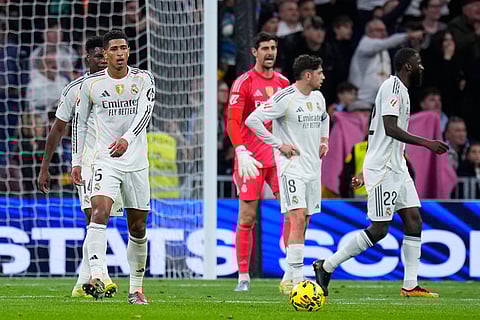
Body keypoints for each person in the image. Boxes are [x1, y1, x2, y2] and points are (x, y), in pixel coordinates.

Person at [313, 48, 449, 300]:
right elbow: (389, 128)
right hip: (384, 169)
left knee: (414, 220)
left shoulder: (402, 91)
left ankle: (410, 285)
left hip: (396, 165)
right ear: (407, 66)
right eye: (418, 63)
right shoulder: (393, 88)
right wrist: (427, 143)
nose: (422, 67)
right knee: (378, 230)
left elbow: (377, 133)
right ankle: (327, 266)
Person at [71, 30, 155, 304]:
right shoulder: (92, 84)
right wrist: (76, 161)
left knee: (138, 226)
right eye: (114, 49)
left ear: (129, 51)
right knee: (99, 211)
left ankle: (136, 289)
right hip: (104, 159)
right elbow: (79, 124)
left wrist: (127, 140)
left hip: (136, 161)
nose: (120, 53)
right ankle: (98, 276)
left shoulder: (143, 79)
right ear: (104, 54)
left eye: (124, 48)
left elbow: (145, 113)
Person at [37, 36, 121, 298]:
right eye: (97, 56)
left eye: (104, 55)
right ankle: (100, 276)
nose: (102, 60)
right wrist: (45, 166)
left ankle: (82, 284)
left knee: (100, 220)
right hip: (86, 163)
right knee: (94, 217)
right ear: (87, 58)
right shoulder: (76, 88)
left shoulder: (121, 84)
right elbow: (58, 128)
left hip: (116, 162)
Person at [246, 54, 329, 290]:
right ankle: (297, 280)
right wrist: (278, 144)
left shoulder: (319, 98)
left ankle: (287, 277)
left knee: (305, 220)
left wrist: (325, 139)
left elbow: (325, 118)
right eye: (320, 72)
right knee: (296, 217)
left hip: (313, 168)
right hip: (291, 168)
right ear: (308, 75)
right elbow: (254, 120)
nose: (323, 77)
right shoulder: (285, 98)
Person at [226, 31, 289, 292]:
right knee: (247, 217)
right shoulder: (244, 82)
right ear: (254, 52)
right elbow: (232, 120)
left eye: (273, 47)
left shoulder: (284, 83)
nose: (270, 52)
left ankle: (292, 271)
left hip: (278, 158)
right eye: (264, 48)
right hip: (250, 159)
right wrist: (240, 150)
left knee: (292, 209)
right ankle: (243, 275)